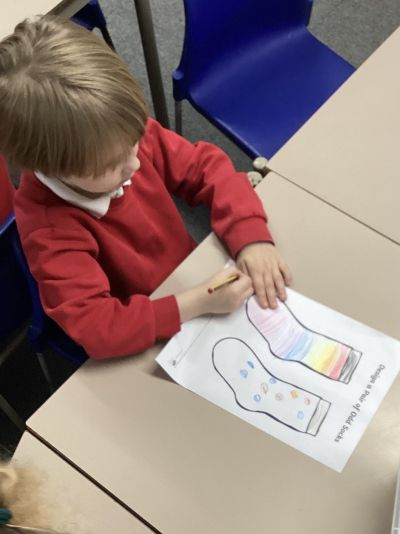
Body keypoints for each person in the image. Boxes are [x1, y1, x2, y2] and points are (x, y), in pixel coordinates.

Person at [0, 16, 291, 360]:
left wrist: (251, 237)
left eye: (135, 141)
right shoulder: (49, 226)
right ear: (54, 168)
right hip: (149, 331)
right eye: (112, 166)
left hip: (190, 279)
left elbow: (207, 168)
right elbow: (97, 328)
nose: (135, 164)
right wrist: (198, 302)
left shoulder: (115, 135)